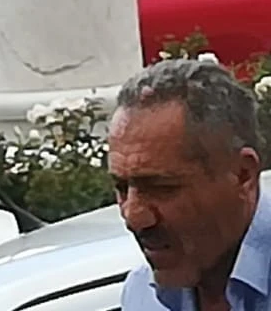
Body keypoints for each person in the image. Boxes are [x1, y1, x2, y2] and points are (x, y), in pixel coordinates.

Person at [112, 58, 266, 311]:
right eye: (121, 188)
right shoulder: (142, 295)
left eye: (162, 188)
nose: (134, 218)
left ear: (242, 174)